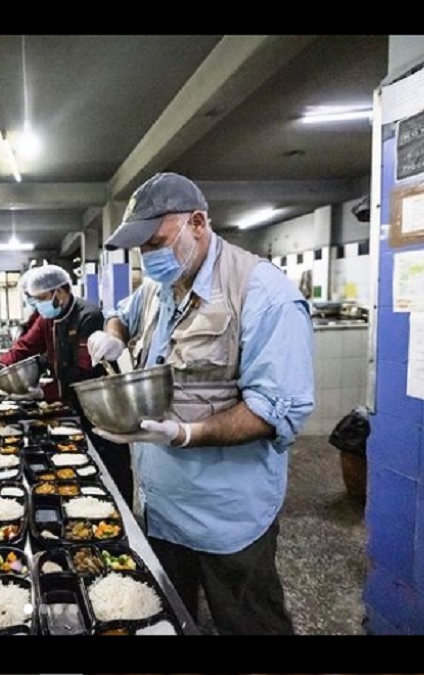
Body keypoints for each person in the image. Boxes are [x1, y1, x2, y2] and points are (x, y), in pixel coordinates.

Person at [87, 171, 315, 635]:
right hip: (162, 507)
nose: (148, 257)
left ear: (197, 222)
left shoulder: (263, 294)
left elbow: (277, 410)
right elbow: (120, 314)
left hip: (226, 517)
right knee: (173, 618)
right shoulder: (157, 288)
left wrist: (187, 434)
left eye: (156, 241)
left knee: (248, 624)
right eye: (141, 248)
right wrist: (111, 337)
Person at [0, 264, 134, 507]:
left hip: (101, 404)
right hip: (73, 401)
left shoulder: (88, 316)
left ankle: (120, 510)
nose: (39, 305)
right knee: (82, 465)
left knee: (109, 464)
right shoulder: (48, 318)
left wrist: (44, 392)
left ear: (59, 293)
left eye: (41, 299)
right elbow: (25, 347)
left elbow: (84, 373)